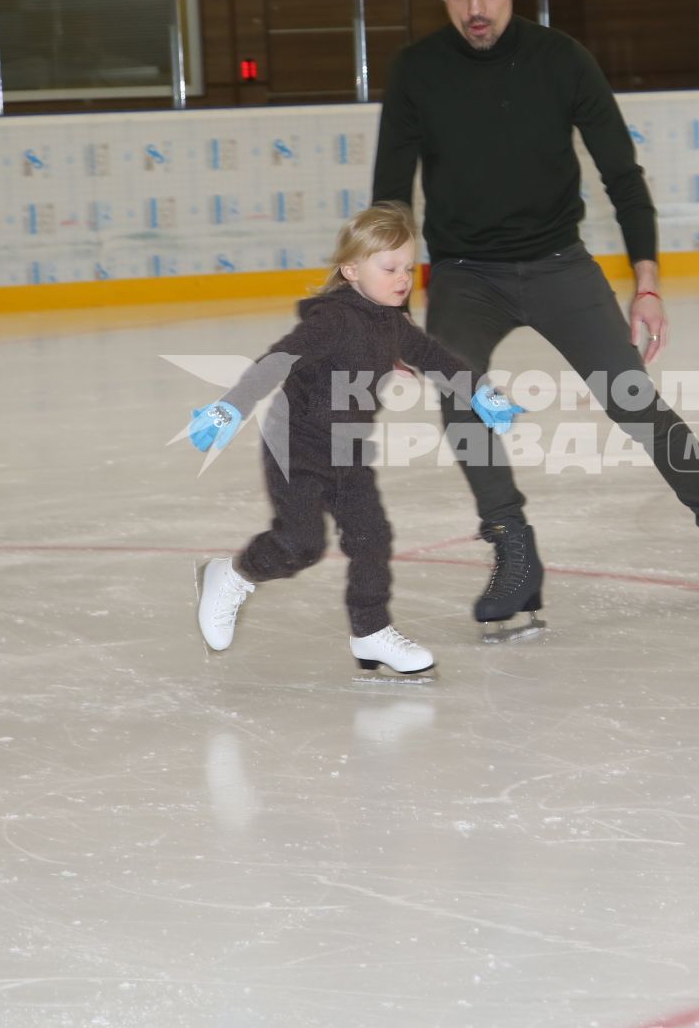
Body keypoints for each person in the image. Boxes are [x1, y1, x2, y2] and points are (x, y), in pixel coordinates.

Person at [370, 0, 699, 630]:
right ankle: (513, 546)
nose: (476, 9)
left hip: (559, 264)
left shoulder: (561, 61)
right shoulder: (418, 73)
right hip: (468, 276)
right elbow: (389, 195)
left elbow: (622, 177)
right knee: (458, 393)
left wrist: (648, 285)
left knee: (632, 399)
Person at [185, 202, 522, 678]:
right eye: (389, 268)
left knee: (371, 538)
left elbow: (436, 357)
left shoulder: (391, 323)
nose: (403, 278)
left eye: (409, 267)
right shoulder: (334, 321)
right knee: (300, 544)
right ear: (351, 269)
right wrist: (231, 406)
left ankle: (371, 631)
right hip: (296, 445)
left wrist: (479, 390)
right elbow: (278, 361)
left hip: (347, 446)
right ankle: (234, 573)